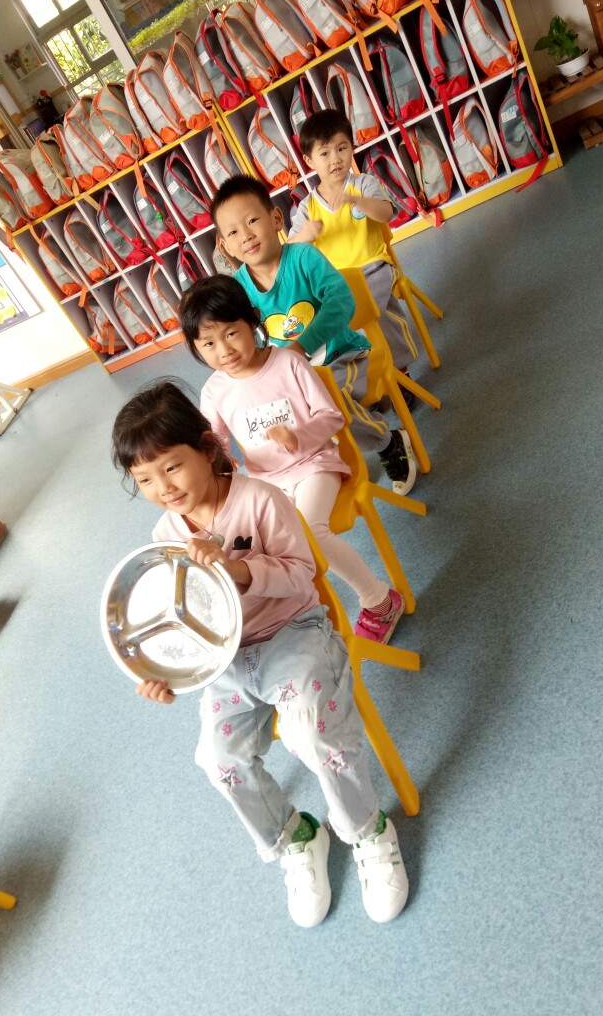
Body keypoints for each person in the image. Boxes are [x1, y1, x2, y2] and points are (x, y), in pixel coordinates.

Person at [111, 381, 409, 927]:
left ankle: (368, 831)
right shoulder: (165, 532)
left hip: (293, 633)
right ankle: (295, 836)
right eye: (145, 479)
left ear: (207, 448)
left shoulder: (261, 500)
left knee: (314, 733)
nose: (163, 488)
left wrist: (237, 569)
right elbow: (182, 617)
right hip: (227, 662)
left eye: (172, 468)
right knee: (217, 760)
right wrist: (166, 672)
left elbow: (302, 576)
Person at [179, 273, 404, 645]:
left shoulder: (288, 363)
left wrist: (298, 436)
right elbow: (214, 444)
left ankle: (379, 599)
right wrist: (213, 466)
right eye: (209, 343)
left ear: (253, 320)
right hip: (266, 482)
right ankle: (293, 621)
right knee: (253, 548)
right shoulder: (215, 390)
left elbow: (332, 417)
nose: (224, 350)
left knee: (309, 533)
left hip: (314, 465)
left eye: (231, 333)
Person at [211, 173, 416, 496]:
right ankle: (312, 471)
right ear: (225, 246)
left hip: (341, 354)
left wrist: (301, 346)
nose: (246, 236)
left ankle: (388, 442)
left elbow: (342, 302)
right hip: (289, 375)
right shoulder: (236, 289)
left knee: (330, 399)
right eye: (233, 232)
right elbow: (239, 335)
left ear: (276, 218)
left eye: (252, 221)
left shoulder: (303, 258)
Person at [288, 109, 418, 381]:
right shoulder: (307, 207)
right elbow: (289, 249)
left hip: (373, 267)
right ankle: (363, 376)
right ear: (309, 160)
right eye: (325, 153)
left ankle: (399, 370)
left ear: (352, 148)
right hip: (336, 282)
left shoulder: (363, 184)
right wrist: (305, 235)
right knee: (321, 324)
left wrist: (356, 201)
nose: (335, 159)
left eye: (342, 148)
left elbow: (386, 214)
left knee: (373, 312)